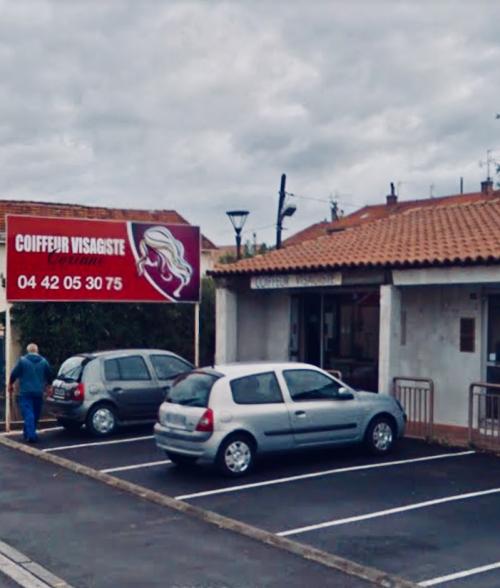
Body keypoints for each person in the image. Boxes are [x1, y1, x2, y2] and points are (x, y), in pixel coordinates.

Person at [8, 343, 52, 443]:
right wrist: (49, 387)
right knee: (35, 414)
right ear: (37, 351)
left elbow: (14, 374)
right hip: (38, 392)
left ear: (28, 351)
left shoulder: (22, 361)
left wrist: (10, 384)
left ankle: (31, 435)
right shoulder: (44, 361)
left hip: (25, 392)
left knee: (28, 414)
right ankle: (27, 433)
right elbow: (49, 375)